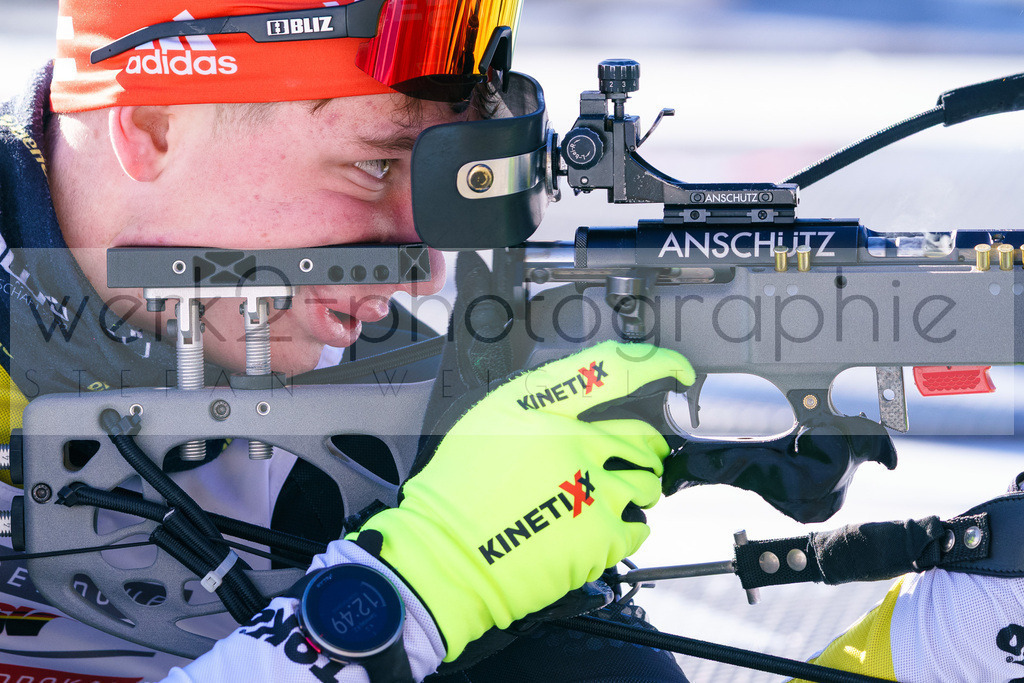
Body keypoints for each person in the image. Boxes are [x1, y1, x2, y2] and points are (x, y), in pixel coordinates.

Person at [0, 1, 694, 681]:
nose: (426, 276)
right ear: (152, 126)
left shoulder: (364, 387)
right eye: (376, 167)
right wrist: (413, 590)